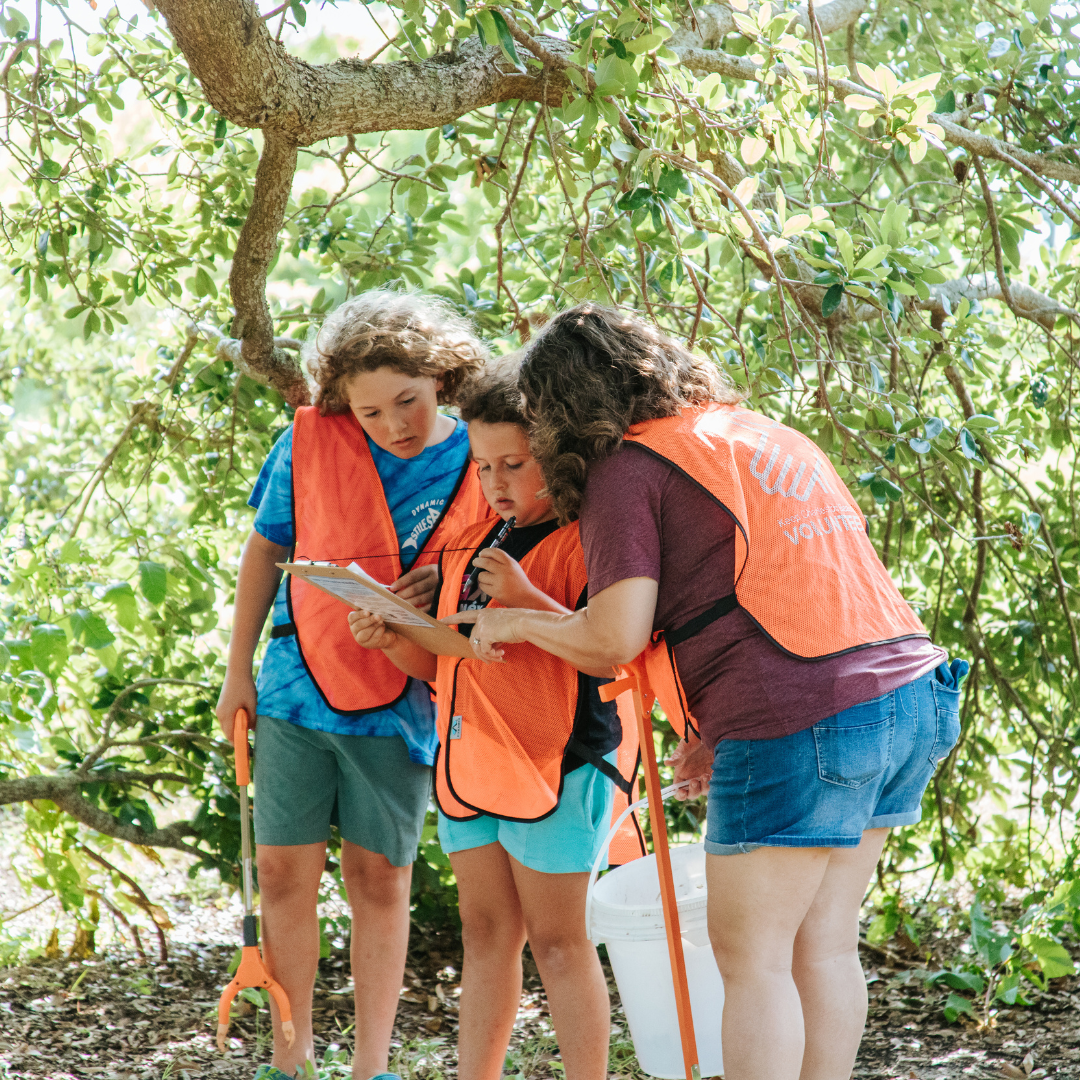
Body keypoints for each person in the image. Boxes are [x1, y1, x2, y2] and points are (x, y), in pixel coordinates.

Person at [449, 305, 966, 1080]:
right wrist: (714, 726)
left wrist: (519, 623)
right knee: (821, 943)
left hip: (801, 718)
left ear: (562, 407)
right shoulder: (756, 434)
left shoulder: (627, 466)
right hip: (911, 695)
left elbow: (613, 636)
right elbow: (783, 592)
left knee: (752, 959)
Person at [215, 290, 490, 1080]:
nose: (393, 424)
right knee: (283, 874)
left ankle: (373, 1068)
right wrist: (238, 674)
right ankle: (289, 1060)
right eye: (370, 411)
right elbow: (265, 550)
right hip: (295, 689)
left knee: (380, 876)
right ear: (344, 405)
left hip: (405, 697)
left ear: (442, 376)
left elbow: (503, 566)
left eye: (407, 400)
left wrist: (440, 576)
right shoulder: (308, 443)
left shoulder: (481, 452)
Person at [347, 361, 634, 1080]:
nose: (498, 481)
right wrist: (396, 639)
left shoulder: (592, 539)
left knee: (561, 944)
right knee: (485, 933)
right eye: (482, 466)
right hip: (469, 763)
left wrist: (530, 596)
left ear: (556, 458)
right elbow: (449, 662)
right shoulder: (468, 541)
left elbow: (607, 651)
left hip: (560, 762)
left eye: (515, 463)